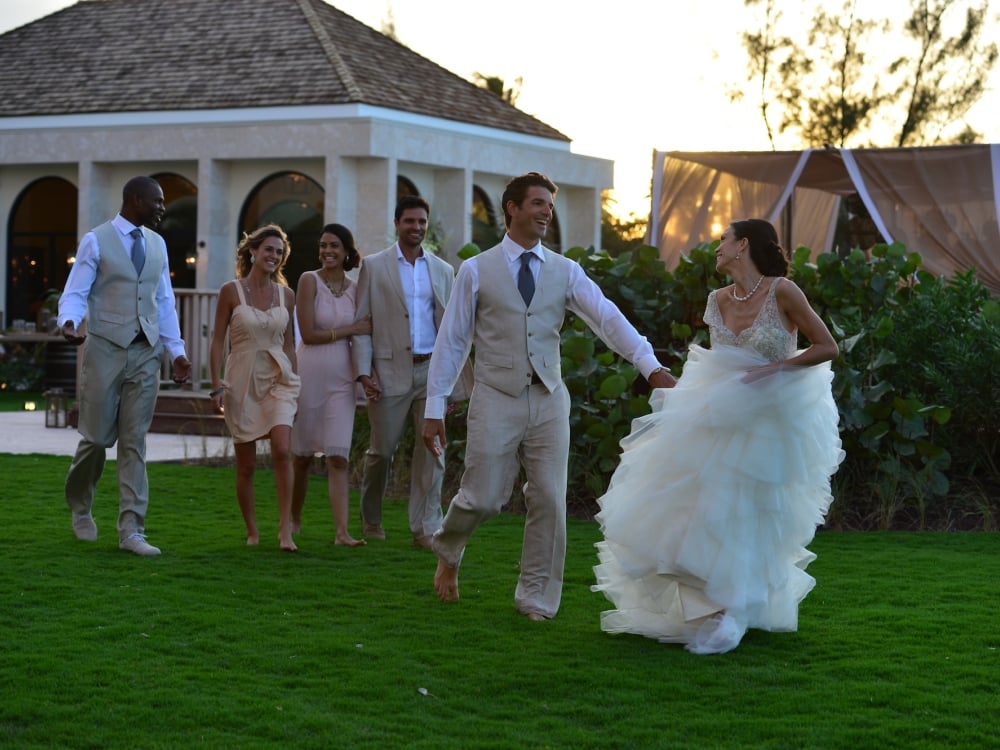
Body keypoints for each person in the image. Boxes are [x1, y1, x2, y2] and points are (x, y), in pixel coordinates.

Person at [421, 172, 675, 620]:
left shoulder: (566, 270)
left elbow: (607, 318)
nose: (546, 212)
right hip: (496, 396)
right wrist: (434, 406)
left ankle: (535, 598)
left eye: (549, 206)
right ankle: (450, 548)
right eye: (537, 203)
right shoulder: (476, 269)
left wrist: (649, 366)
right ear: (512, 209)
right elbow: (453, 341)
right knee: (481, 497)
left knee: (549, 501)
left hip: (549, 399)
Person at [592, 218, 844, 654]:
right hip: (716, 413)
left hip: (770, 420)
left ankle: (735, 609)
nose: (716, 248)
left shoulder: (782, 290)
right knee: (696, 510)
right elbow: (717, 360)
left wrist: (775, 369)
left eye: (723, 240)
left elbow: (827, 346)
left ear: (742, 245)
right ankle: (711, 607)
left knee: (747, 514)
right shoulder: (716, 300)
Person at [58, 175, 192, 556]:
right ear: (135, 199)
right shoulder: (95, 240)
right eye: (158, 201)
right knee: (97, 439)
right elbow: (76, 292)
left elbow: (163, 302)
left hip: (145, 353)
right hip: (104, 350)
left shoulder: (158, 244)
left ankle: (131, 529)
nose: (163, 207)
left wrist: (176, 351)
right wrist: (69, 321)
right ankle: (80, 506)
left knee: (134, 441)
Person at [352, 196, 464, 548]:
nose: (416, 227)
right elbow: (363, 323)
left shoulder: (444, 271)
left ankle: (425, 528)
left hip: (432, 371)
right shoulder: (374, 265)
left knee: (433, 452)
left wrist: (453, 382)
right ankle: (371, 518)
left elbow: (453, 328)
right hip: (388, 372)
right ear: (397, 223)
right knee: (381, 452)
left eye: (421, 222)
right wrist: (363, 372)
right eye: (409, 221)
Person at [209, 224, 301, 551]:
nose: (273, 256)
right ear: (253, 251)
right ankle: (252, 530)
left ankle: (285, 530)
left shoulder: (286, 295)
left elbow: (289, 344)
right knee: (246, 464)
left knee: (281, 449)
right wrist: (216, 384)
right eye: (268, 250)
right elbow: (218, 340)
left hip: (279, 378)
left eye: (279, 252)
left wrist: (295, 379)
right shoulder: (229, 291)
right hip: (241, 379)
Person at [290, 223, 371, 546]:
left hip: (343, 378)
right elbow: (308, 333)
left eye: (334, 246)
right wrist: (351, 329)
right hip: (308, 372)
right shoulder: (309, 281)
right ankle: (294, 518)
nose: (327, 251)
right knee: (303, 455)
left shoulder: (356, 288)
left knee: (339, 455)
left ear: (347, 251)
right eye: (323, 245)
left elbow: (369, 330)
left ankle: (342, 533)